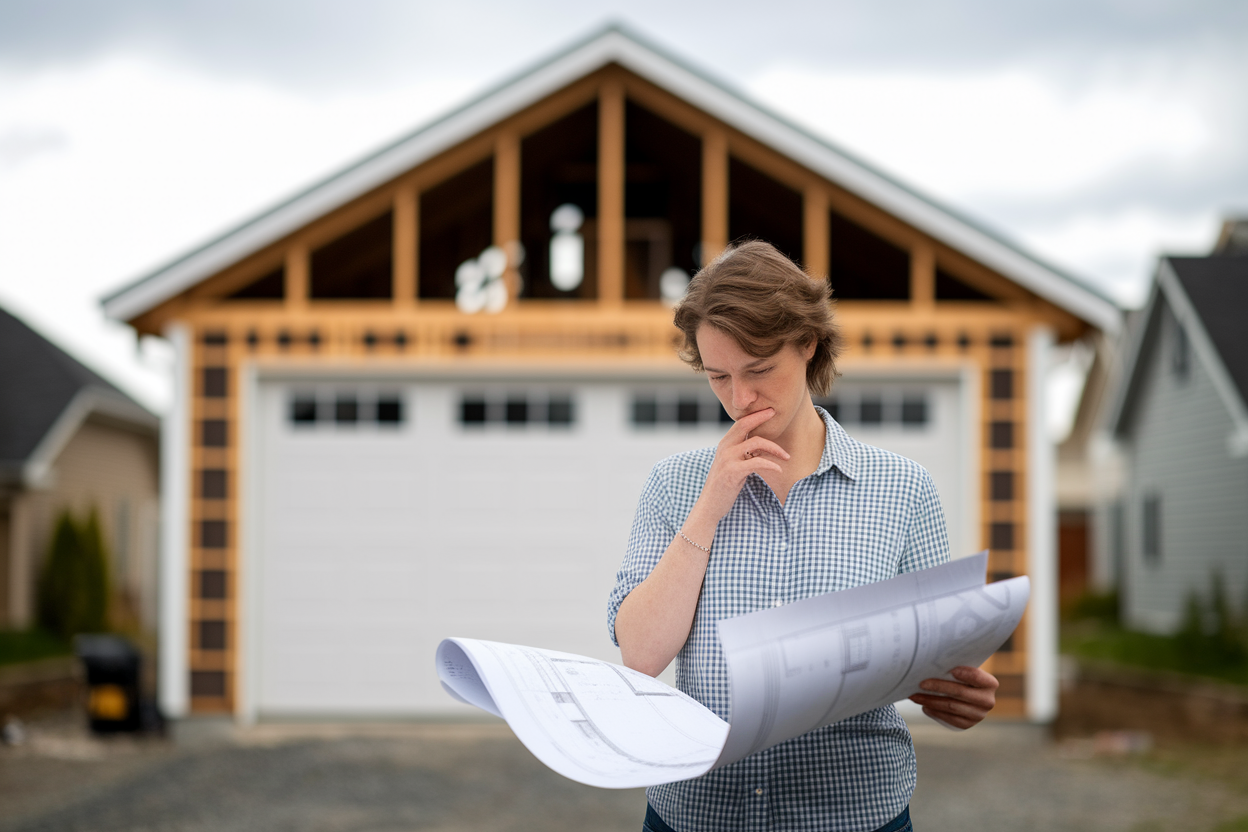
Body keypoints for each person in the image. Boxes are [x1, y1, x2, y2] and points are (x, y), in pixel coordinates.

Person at [607, 241, 999, 832]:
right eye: (719, 376)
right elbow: (639, 655)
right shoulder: (673, 485)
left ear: (808, 343)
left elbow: (940, 654)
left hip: (853, 813)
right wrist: (710, 506)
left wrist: (960, 696)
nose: (741, 400)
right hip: (698, 813)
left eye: (760, 370)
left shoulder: (903, 490)